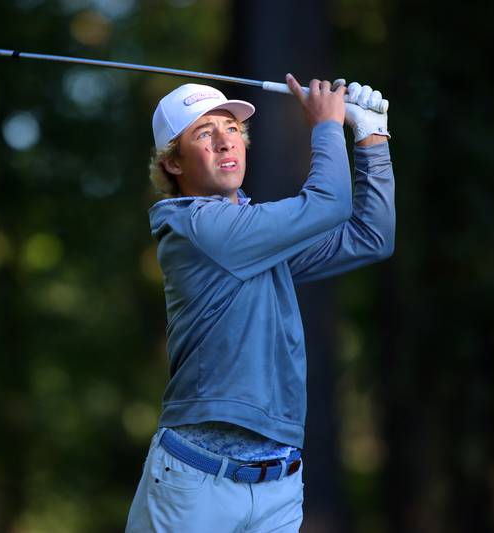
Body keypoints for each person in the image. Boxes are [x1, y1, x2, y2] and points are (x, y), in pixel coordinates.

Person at [125, 74, 395, 532]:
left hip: (278, 486)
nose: (224, 142)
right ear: (173, 162)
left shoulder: (257, 235)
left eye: (231, 129)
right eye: (203, 133)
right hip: (196, 484)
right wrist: (327, 125)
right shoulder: (194, 229)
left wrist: (372, 137)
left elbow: (371, 238)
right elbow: (329, 203)